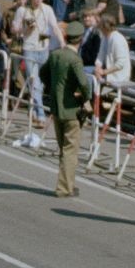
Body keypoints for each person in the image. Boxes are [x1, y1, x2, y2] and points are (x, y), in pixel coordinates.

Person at [40, 21, 91, 199]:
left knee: (64, 149)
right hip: (71, 109)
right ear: (80, 40)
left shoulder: (56, 55)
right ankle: (64, 188)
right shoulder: (74, 59)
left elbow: (42, 73)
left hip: (56, 107)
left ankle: (68, 183)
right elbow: (84, 83)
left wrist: (51, 87)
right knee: (70, 151)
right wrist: (85, 97)